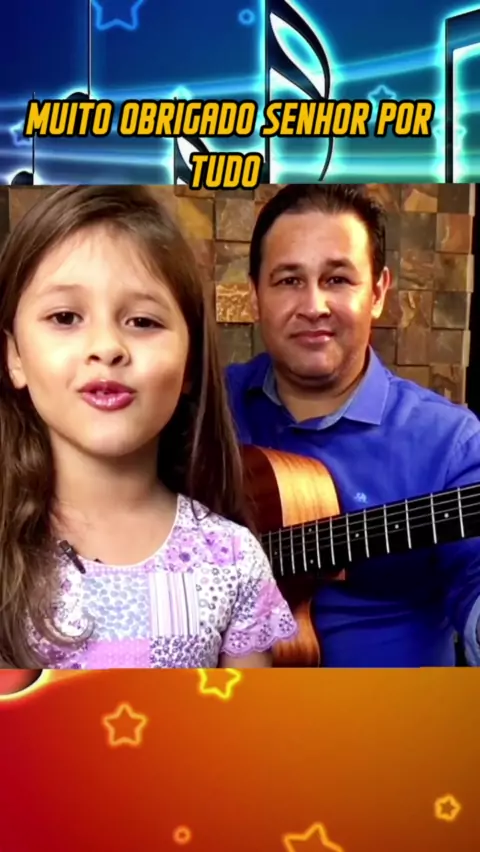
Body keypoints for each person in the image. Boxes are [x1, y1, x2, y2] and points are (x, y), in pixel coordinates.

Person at [0, 185, 297, 670]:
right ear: (14, 356)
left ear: (190, 363)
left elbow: (251, 721)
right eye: (65, 317)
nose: (107, 347)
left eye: (142, 321)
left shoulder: (230, 559)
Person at [226, 183, 480, 667]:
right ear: (255, 293)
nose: (314, 306)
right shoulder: (205, 411)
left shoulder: (451, 441)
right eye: (289, 280)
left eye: (338, 279)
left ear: (378, 293)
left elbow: (475, 578)